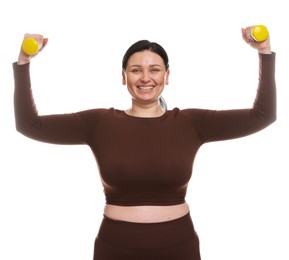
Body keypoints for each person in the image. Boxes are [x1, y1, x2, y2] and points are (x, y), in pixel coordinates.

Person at [13, 26, 276, 260]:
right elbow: (29, 124)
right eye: (136, 70)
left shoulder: (192, 122)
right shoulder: (98, 122)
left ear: (167, 76)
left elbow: (262, 116)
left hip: (179, 246)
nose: (145, 78)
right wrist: (23, 62)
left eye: (154, 69)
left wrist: (264, 51)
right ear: (124, 76)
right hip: (115, 247)